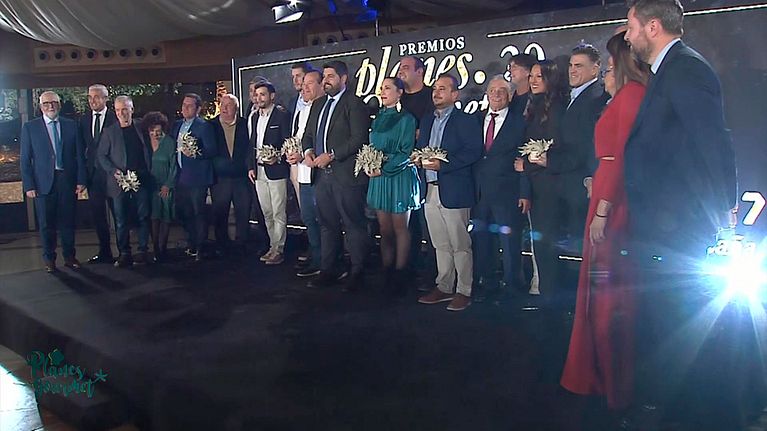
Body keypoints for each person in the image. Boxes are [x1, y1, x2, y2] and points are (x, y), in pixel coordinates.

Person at [623, 0, 738, 426]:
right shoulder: (668, 70)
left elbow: (713, 140)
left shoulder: (686, 69)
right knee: (666, 319)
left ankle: (689, 414)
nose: (627, 36)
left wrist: (724, 210)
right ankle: (677, 408)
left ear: (652, 27)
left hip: (680, 223)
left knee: (679, 321)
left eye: (631, 26)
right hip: (663, 223)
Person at [560, 31, 649, 411]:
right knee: (601, 294)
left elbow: (618, 158)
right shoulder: (625, 98)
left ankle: (614, 386)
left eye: (610, 68)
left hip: (612, 208)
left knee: (608, 297)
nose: (606, 76)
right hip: (605, 197)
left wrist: (602, 209)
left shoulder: (631, 97)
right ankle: (599, 375)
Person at [300, 60, 372, 291]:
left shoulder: (354, 103)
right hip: (322, 176)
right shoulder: (318, 104)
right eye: (324, 76)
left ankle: (358, 272)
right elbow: (307, 135)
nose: (326, 80)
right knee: (327, 224)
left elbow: (358, 138)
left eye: (331, 76)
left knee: (353, 225)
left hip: (346, 176)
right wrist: (308, 152)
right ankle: (329, 269)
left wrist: (331, 155)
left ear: (343, 78)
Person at [416, 74, 483, 312]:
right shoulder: (427, 120)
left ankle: (464, 290)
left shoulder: (465, 120)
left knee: (460, 244)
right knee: (440, 243)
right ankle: (444, 286)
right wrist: (418, 158)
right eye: (435, 89)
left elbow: (474, 151)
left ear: (455, 95)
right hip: (430, 189)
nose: (436, 93)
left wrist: (443, 165)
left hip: (455, 189)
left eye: (442, 89)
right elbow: (422, 149)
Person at [542, 44, 610, 252]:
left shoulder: (596, 99)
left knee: (582, 252)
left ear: (595, 69)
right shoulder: (571, 97)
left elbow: (585, 147)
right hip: (566, 189)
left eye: (579, 66)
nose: (572, 70)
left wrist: (549, 160)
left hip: (580, 190)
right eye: (571, 65)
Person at [472, 75, 530, 302]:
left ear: (511, 95)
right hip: (479, 192)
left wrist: (524, 192)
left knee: (510, 243)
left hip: (508, 192)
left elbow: (524, 157)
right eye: (492, 90)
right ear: (486, 94)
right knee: (482, 240)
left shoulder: (520, 123)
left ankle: (513, 287)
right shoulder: (475, 120)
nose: (496, 94)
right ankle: (487, 283)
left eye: (502, 91)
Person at [514, 60, 568, 296]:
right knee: (540, 243)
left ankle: (549, 295)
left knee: (546, 243)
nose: (534, 81)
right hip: (537, 184)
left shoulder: (556, 108)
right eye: (532, 76)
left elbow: (553, 150)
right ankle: (545, 292)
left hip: (550, 186)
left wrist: (526, 164)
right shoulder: (534, 106)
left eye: (539, 76)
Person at [20, 91, 86, 273]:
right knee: (46, 224)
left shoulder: (71, 125)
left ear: (59, 104)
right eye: (46, 103)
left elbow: (80, 156)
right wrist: (29, 185)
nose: (50, 106)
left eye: (54, 102)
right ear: (40, 107)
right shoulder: (30, 128)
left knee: (68, 222)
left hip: (67, 180)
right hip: (42, 183)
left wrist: (81, 180)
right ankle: (49, 259)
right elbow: (25, 159)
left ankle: (70, 257)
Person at [366, 77, 420, 293]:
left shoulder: (407, 119)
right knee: (384, 228)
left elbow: (406, 152)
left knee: (400, 228)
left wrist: (384, 168)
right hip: (379, 178)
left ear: (399, 93)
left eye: (387, 88)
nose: (383, 92)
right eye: (381, 88)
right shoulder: (377, 118)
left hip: (398, 176)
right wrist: (369, 163)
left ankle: (400, 273)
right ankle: (387, 270)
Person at [98, 95, 153, 267]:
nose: (121, 113)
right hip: (119, 182)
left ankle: (143, 251)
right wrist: (113, 171)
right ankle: (124, 253)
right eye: (118, 110)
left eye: (125, 109)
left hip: (141, 180)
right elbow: (101, 156)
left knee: (143, 216)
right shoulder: (109, 132)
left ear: (132, 109)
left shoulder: (141, 127)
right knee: (121, 220)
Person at [398, 55, 436, 290]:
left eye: (406, 67)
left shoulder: (431, 97)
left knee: (428, 225)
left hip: (424, 170)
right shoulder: (398, 98)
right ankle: (408, 271)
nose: (401, 71)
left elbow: (429, 133)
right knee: (406, 225)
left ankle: (433, 274)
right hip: (400, 171)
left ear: (420, 71)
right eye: (400, 68)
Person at [246, 82, 291, 265]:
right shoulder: (254, 117)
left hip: (276, 170)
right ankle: (273, 246)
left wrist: (277, 157)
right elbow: (252, 143)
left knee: (278, 212)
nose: (259, 98)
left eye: (262, 94)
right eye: (257, 95)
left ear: (272, 96)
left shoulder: (282, 116)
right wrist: (250, 166)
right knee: (266, 212)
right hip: (258, 171)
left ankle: (278, 249)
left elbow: (288, 142)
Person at [287, 69, 325, 277]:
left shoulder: (325, 110)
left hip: (320, 174)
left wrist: (305, 155)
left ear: (321, 85)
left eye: (309, 83)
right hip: (303, 172)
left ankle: (326, 261)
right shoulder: (302, 112)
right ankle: (316, 256)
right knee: (308, 218)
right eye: (303, 84)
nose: (304, 87)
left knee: (323, 220)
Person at [171, 93, 217, 261]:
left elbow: (212, 149)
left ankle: (200, 246)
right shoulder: (177, 125)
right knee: (185, 212)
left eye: (190, 105)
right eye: (184, 105)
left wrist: (196, 153)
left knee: (198, 212)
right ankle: (191, 242)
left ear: (198, 109)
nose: (185, 108)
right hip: (181, 176)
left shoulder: (203, 126)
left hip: (198, 177)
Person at [79, 84, 117, 264]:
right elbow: (82, 149)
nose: (92, 100)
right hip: (94, 176)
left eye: (96, 97)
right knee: (98, 216)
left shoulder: (115, 118)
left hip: (113, 175)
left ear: (105, 98)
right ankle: (105, 252)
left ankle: (124, 251)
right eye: (90, 97)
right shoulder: (84, 120)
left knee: (119, 215)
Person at [210, 94, 252, 255]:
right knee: (220, 212)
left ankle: (242, 244)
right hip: (220, 178)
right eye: (222, 105)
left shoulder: (245, 124)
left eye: (228, 105)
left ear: (236, 108)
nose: (224, 108)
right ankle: (222, 245)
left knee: (243, 211)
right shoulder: (211, 125)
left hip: (241, 177)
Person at [142, 111, 177, 261]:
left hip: (166, 185)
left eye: (158, 131)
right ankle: (156, 248)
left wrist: (168, 185)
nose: (155, 134)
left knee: (166, 216)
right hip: (150, 185)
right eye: (152, 131)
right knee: (154, 216)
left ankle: (163, 248)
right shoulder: (145, 143)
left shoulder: (169, 142)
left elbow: (174, 166)